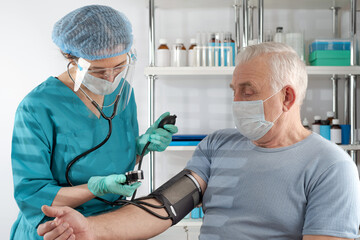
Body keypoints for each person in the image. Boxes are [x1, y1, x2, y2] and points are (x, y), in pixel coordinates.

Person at [37, 42, 360, 240]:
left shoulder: (330, 166)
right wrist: (91, 230)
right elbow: (164, 206)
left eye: (247, 91)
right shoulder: (218, 146)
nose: (237, 101)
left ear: (287, 97)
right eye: (233, 91)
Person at [10, 5, 177, 239]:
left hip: (111, 225)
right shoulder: (37, 107)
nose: (111, 78)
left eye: (119, 67)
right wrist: (94, 188)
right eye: (98, 71)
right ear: (72, 58)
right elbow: (32, 194)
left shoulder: (123, 94)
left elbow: (114, 167)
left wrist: (139, 149)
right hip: (59, 230)